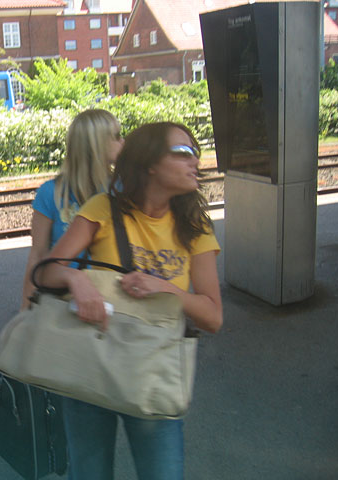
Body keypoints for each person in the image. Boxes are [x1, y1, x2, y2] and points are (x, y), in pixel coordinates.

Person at [37, 121, 223, 480]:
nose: (195, 161)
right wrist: (75, 278)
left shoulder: (195, 225)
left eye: (195, 153)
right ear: (149, 163)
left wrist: (165, 288)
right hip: (92, 363)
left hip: (154, 373)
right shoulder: (103, 209)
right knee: (89, 474)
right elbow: (46, 272)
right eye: (183, 152)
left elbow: (213, 317)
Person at [20, 108, 123, 309]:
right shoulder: (50, 193)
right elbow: (38, 255)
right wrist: (26, 308)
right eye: (117, 136)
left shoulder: (123, 188)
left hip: (115, 298)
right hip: (64, 301)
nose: (123, 142)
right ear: (98, 143)